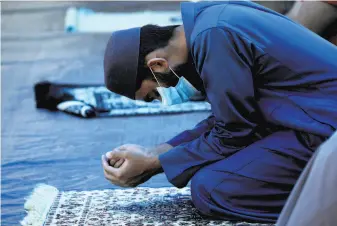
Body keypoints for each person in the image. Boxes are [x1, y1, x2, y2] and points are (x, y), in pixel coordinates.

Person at [101, 1, 337, 223]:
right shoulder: (210, 18)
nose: (163, 100)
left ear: (158, 65)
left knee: (212, 189)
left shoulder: (214, 38)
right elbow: (231, 115)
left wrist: (154, 163)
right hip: (312, 116)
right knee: (212, 167)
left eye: (154, 94)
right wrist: (155, 151)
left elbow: (235, 131)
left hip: (324, 126)